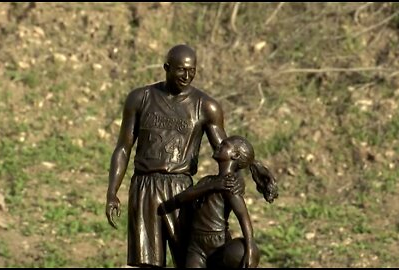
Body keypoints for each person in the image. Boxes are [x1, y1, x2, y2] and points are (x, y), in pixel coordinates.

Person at [105, 44, 276, 268]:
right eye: (181, 70)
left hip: (181, 189)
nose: (187, 76)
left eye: (192, 70)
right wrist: (112, 192)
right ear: (166, 67)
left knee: (186, 259)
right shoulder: (140, 98)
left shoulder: (206, 106)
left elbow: (228, 148)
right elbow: (123, 148)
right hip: (144, 187)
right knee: (146, 263)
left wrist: (255, 168)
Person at [158, 136, 278, 268]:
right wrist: (212, 186)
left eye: (225, 145)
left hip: (217, 243)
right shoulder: (207, 181)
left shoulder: (230, 185)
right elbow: (181, 198)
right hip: (196, 244)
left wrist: (250, 248)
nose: (219, 144)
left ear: (235, 155)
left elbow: (243, 217)